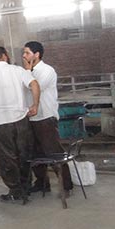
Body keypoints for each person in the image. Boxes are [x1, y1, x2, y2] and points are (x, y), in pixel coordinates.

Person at [0, 46, 40, 203]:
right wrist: (35, 105)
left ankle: (15, 191)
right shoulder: (17, 70)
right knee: (24, 154)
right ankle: (26, 187)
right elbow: (34, 84)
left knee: (8, 157)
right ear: (4, 56)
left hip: (1, 123)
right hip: (21, 119)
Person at [23, 41, 73, 196]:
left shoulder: (47, 70)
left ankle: (66, 185)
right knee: (35, 154)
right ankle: (42, 183)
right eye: (23, 53)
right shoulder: (27, 72)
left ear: (37, 54)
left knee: (53, 152)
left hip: (45, 117)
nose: (24, 56)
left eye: (27, 53)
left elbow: (35, 87)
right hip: (31, 118)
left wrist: (27, 72)